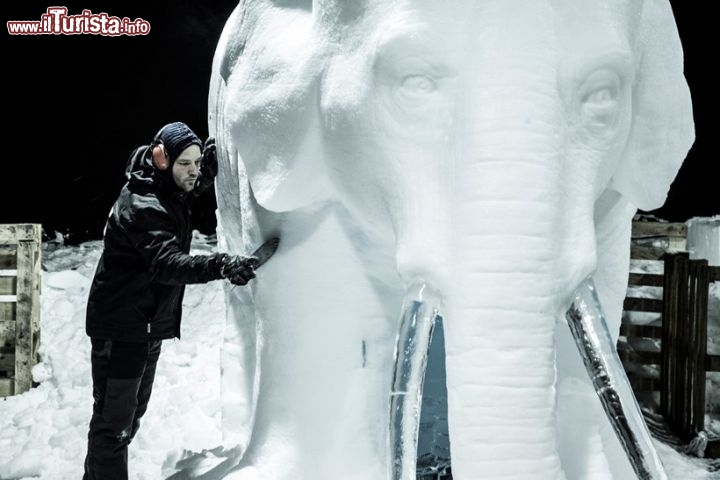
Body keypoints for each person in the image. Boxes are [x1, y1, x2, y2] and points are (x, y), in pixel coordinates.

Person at [82, 121, 257, 480]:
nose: (193, 171)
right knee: (114, 425)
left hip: (142, 324)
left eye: (196, 162)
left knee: (128, 419)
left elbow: (177, 197)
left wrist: (202, 178)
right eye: (185, 165)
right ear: (161, 160)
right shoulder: (142, 205)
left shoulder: (158, 187)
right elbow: (166, 264)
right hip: (122, 329)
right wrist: (220, 264)